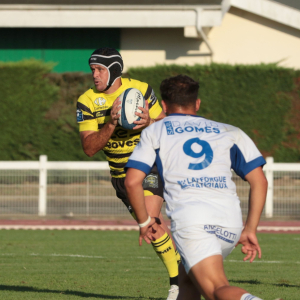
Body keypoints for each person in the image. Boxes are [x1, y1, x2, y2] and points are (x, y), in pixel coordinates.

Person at [124, 74, 276, 300]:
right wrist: (250, 229)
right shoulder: (230, 131)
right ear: (197, 103)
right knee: (187, 281)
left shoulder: (155, 131)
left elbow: (132, 181)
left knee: (216, 289)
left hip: (193, 223)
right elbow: (260, 181)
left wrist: (145, 221)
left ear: (164, 105)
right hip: (230, 223)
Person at [76, 47, 180, 300]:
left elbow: (167, 125)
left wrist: (149, 123)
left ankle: (178, 285)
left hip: (148, 166)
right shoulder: (86, 101)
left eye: (100, 70)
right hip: (120, 175)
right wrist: (111, 123)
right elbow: (89, 147)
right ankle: (188, 272)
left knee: (152, 220)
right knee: (156, 230)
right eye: (93, 70)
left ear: (114, 70)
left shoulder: (141, 90)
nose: (95, 75)